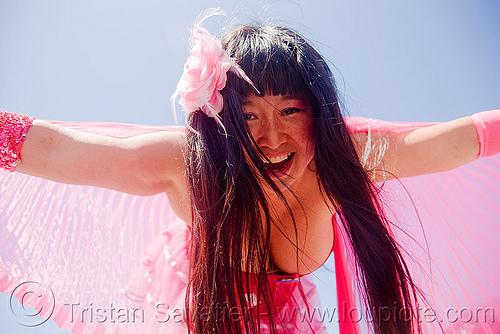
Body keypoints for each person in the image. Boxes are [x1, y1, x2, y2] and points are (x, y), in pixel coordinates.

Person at [0, 10, 499, 334]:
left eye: (290, 112)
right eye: (250, 117)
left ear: (316, 113)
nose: (272, 138)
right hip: (198, 308)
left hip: (286, 318)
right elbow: (58, 151)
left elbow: (453, 143)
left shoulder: (336, 162)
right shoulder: (188, 165)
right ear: (224, 121)